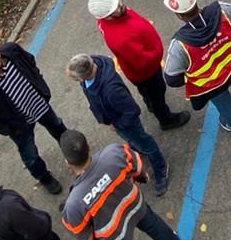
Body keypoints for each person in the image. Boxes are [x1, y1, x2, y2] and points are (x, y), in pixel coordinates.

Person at [60, 128, 185, 240]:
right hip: (135, 205)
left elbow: (86, 239)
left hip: (114, 235)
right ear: (88, 146)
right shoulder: (114, 152)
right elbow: (139, 170)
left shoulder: (73, 204)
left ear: (67, 162)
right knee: (153, 224)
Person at [0, 41, 69, 196]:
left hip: (38, 104)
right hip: (19, 126)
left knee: (58, 127)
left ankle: (72, 152)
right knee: (30, 155)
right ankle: (44, 178)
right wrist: (9, 129)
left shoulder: (12, 51)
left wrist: (39, 83)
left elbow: (30, 61)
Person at [66, 54, 171, 196]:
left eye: (75, 78)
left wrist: (117, 125)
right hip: (116, 119)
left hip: (124, 123)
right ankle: (137, 149)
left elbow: (132, 111)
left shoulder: (111, 91)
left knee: (145, 143)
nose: (76, 81)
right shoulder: (95, 64)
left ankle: (160, 168)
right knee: (134, 141)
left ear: (85, 76)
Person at [162, 0, 231, 137]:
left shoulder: (179, 45)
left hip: (211, 84)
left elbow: (172, 78)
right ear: (195, 1)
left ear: (179, 15)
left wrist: (193, 77)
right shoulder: (221, 10)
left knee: (224, 104)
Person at [86, 0, 189, 130]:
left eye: (118, 2)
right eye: (116, 7)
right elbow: (143, 61)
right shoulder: (121, 39)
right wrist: (157, 53)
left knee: (146, 91)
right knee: (157, 94)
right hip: (147, 72)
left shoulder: (110, 19)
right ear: (107, 16)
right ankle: (166, 119)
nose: (121, 5)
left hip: (135, 72)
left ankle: (150, 103)